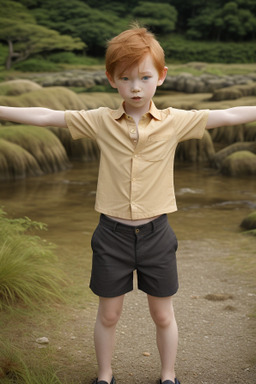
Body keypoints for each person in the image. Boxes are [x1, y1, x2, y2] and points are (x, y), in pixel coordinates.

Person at [1, 25, 256, 384]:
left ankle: (168, 376)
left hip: (157, 234)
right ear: (111, 79)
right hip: (111, 235)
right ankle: (104, 376)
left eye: (145, 77)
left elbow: (228, 115)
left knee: (163, 314)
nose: (135, 87)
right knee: (108, 314)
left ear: (161, 77)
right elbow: (46, 115)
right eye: (125, 78)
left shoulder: (175, 122)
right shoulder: (100, 121)